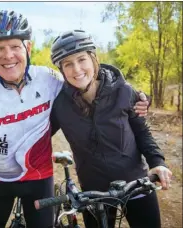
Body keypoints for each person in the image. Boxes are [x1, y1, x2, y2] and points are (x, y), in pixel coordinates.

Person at [0, 10, 149, 228]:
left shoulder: (49, 79)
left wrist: (134, 98)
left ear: (28, 48)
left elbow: (88, 82)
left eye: (15, 46)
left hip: (40, 180)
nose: (8, 55)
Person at [49, 30, 173, 228]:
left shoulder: (124, 91)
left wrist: (157, 162)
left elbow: (142, 132)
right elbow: (40, 134)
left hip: (136, 184)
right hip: (93, 192)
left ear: (93, 59)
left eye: (81, 59)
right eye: (68, 64)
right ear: (61, 70)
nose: (77, 69)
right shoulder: (60, 105)